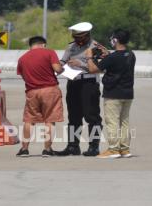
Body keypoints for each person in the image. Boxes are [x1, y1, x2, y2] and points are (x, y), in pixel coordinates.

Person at [86, 29, 136, 159]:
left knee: (112, 122)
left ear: (115, 40)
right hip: (127, 93)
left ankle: (113, 149)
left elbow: (93, 70)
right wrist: (107, 54)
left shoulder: (112, 58)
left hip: (113, 94)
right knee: (124, 122)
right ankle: (125, 149)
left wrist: (89, 57)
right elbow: (118, 61)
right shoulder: (131, 55)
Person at [56, 22, 103, 157]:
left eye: (80, 38)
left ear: (87, 36)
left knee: (92, 116)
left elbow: (100, 68)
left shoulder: (96, 48)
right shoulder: (71, 47)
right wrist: (57, 67)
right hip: (73, 83)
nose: (78, 40)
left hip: (89, 83)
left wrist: (80, 64)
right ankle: (72, 146)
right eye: (75, 37)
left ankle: (94, 147)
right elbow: (62, 61)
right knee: (73, 117)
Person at [15, 36, 64, 157]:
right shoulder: (49, 52)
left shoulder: (22, 58)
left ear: (31, 45)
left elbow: (23, 76)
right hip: (50, 90)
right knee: (50, 120)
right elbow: (57, 69)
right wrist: (62, 68)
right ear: (43, 44)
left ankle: (24, 149)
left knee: (29, 120)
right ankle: (47, 149)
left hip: (32, 91)